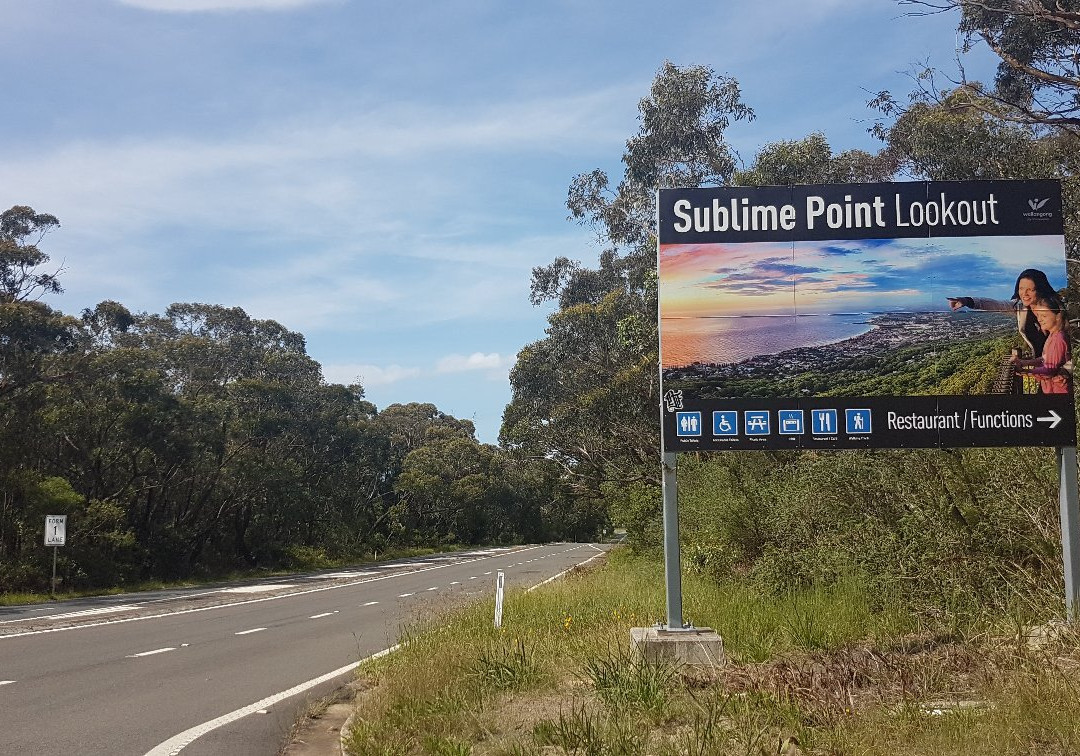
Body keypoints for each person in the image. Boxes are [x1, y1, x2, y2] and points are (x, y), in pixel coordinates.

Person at [947, 268, 1063, 358]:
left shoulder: (1056, 308)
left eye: (1030, 289)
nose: (1024, 294)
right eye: (1021, 288)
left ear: (1040, 290)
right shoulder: (1020, 307)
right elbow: (996, 305)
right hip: (1043, 361)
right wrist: (967, 301)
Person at [1012, 299, 1072, 394]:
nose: (1039, 319)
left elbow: (1049, 371)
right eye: (1038, 315)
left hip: (1057, 391)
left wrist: (1025, 371)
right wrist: (1023, 363)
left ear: (1058, 317)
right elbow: (1045, 359)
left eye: (1044, 316)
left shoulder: (1058, 339)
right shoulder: (1053, 335)